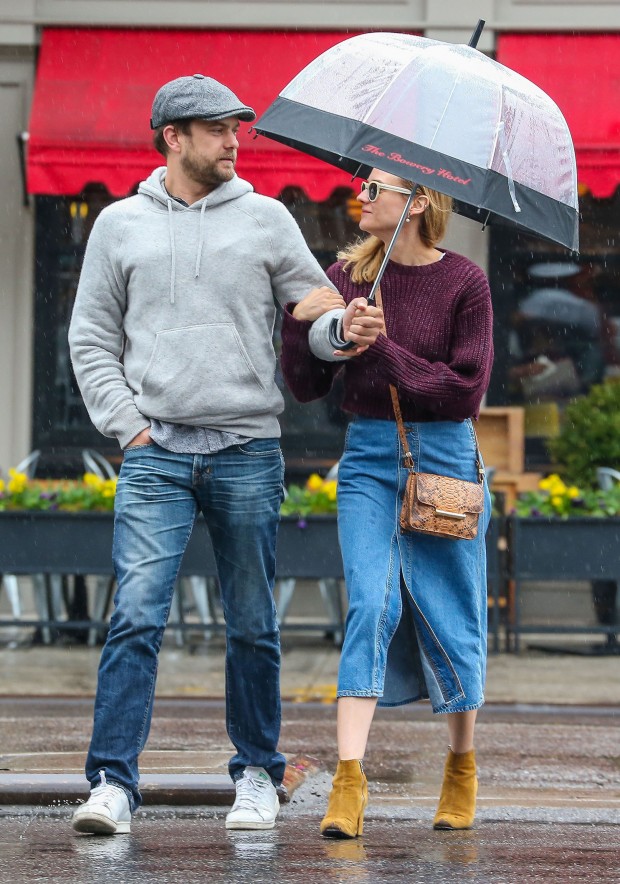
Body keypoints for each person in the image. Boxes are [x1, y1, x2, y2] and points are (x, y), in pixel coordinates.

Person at [67, 74, 344, 836]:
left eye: (237, 128)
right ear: (173, 138)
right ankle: (112, 786)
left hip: (248, 448)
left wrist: (342, 334)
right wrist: (129, 428)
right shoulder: (119, 224)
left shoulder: (268, 219)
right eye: (218, 129)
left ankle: (256, 772)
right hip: (154, 453)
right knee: (134, 617)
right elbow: (90, 338)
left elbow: (314, 314)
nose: (233, 141)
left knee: (253, 621)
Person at [280, 168, 494, 837]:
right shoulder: (345, 277)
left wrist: (386, 348)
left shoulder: (466, 282)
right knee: (372, 601)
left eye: (378, 189)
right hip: (370, 456)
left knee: (452, 612)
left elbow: (463, 391)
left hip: (447, 456)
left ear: (418, 203)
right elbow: (306, 384)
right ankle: (350, 778)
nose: (362, 197)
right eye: (363, 185)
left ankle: (461, 765)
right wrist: (321, 326)